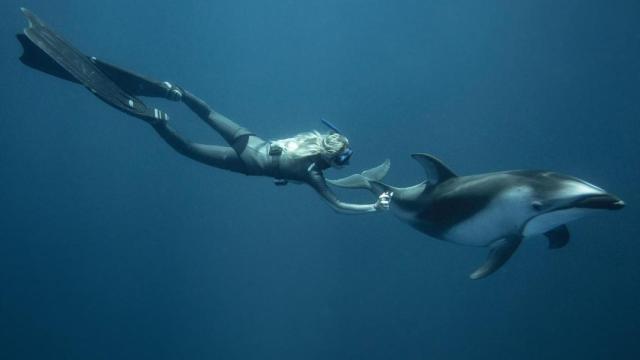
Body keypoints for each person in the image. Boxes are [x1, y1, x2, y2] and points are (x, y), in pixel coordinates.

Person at [17, 8, 391, 214]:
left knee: (205, 110)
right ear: (333, 159)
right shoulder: (313, 173)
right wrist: (373, 207)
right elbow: (339, 206)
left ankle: (174, 92)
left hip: (249, 140)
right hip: (246, 159)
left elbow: (334, 177)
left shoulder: (312, 140)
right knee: (184, 147)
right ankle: (157, 120)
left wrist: (366, 198)